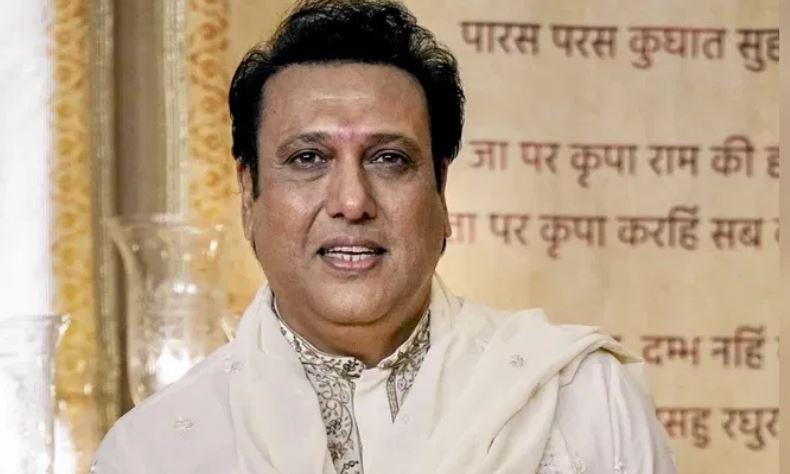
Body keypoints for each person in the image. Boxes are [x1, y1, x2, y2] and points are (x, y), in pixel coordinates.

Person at [91, 1, 676, 472]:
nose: (352, 202)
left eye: (389, 158)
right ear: (250, 196)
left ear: (441, 192)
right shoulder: (154, 452)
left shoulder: (582, 400)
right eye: (308, 158)